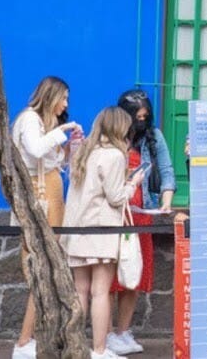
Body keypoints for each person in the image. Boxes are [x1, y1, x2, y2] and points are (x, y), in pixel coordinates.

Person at [62, 106, 147, 359]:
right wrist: (133, 184)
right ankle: (99, 350)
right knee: (100, 291)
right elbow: (116, 197)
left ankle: (75, 346)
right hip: (101, 231)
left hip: (76, 230)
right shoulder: (114, 155)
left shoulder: (84, 151)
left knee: (79, 291)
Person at [11, 75, 83, 359]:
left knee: (48, 270)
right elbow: (35, 149)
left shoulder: (43, 124)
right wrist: (62, 131)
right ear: (50, 96)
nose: (65, 104)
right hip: (40, 197)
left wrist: (68, 147)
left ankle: (32, 339)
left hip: (50, 193)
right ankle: (24, 341)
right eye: (63, 98)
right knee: (40, 270)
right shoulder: (29, 119)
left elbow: (52, 161)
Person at [107, 89, 177, 356]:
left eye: (145, 116)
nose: (141, 120)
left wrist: (166, 201)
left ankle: (122, 332)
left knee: (133, 274)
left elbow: (167, 171)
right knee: (110, 277)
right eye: (136, 116)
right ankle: (105, 334)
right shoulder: (110, 137)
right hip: (114, 216)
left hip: (141, 214)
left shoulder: (153, 137)